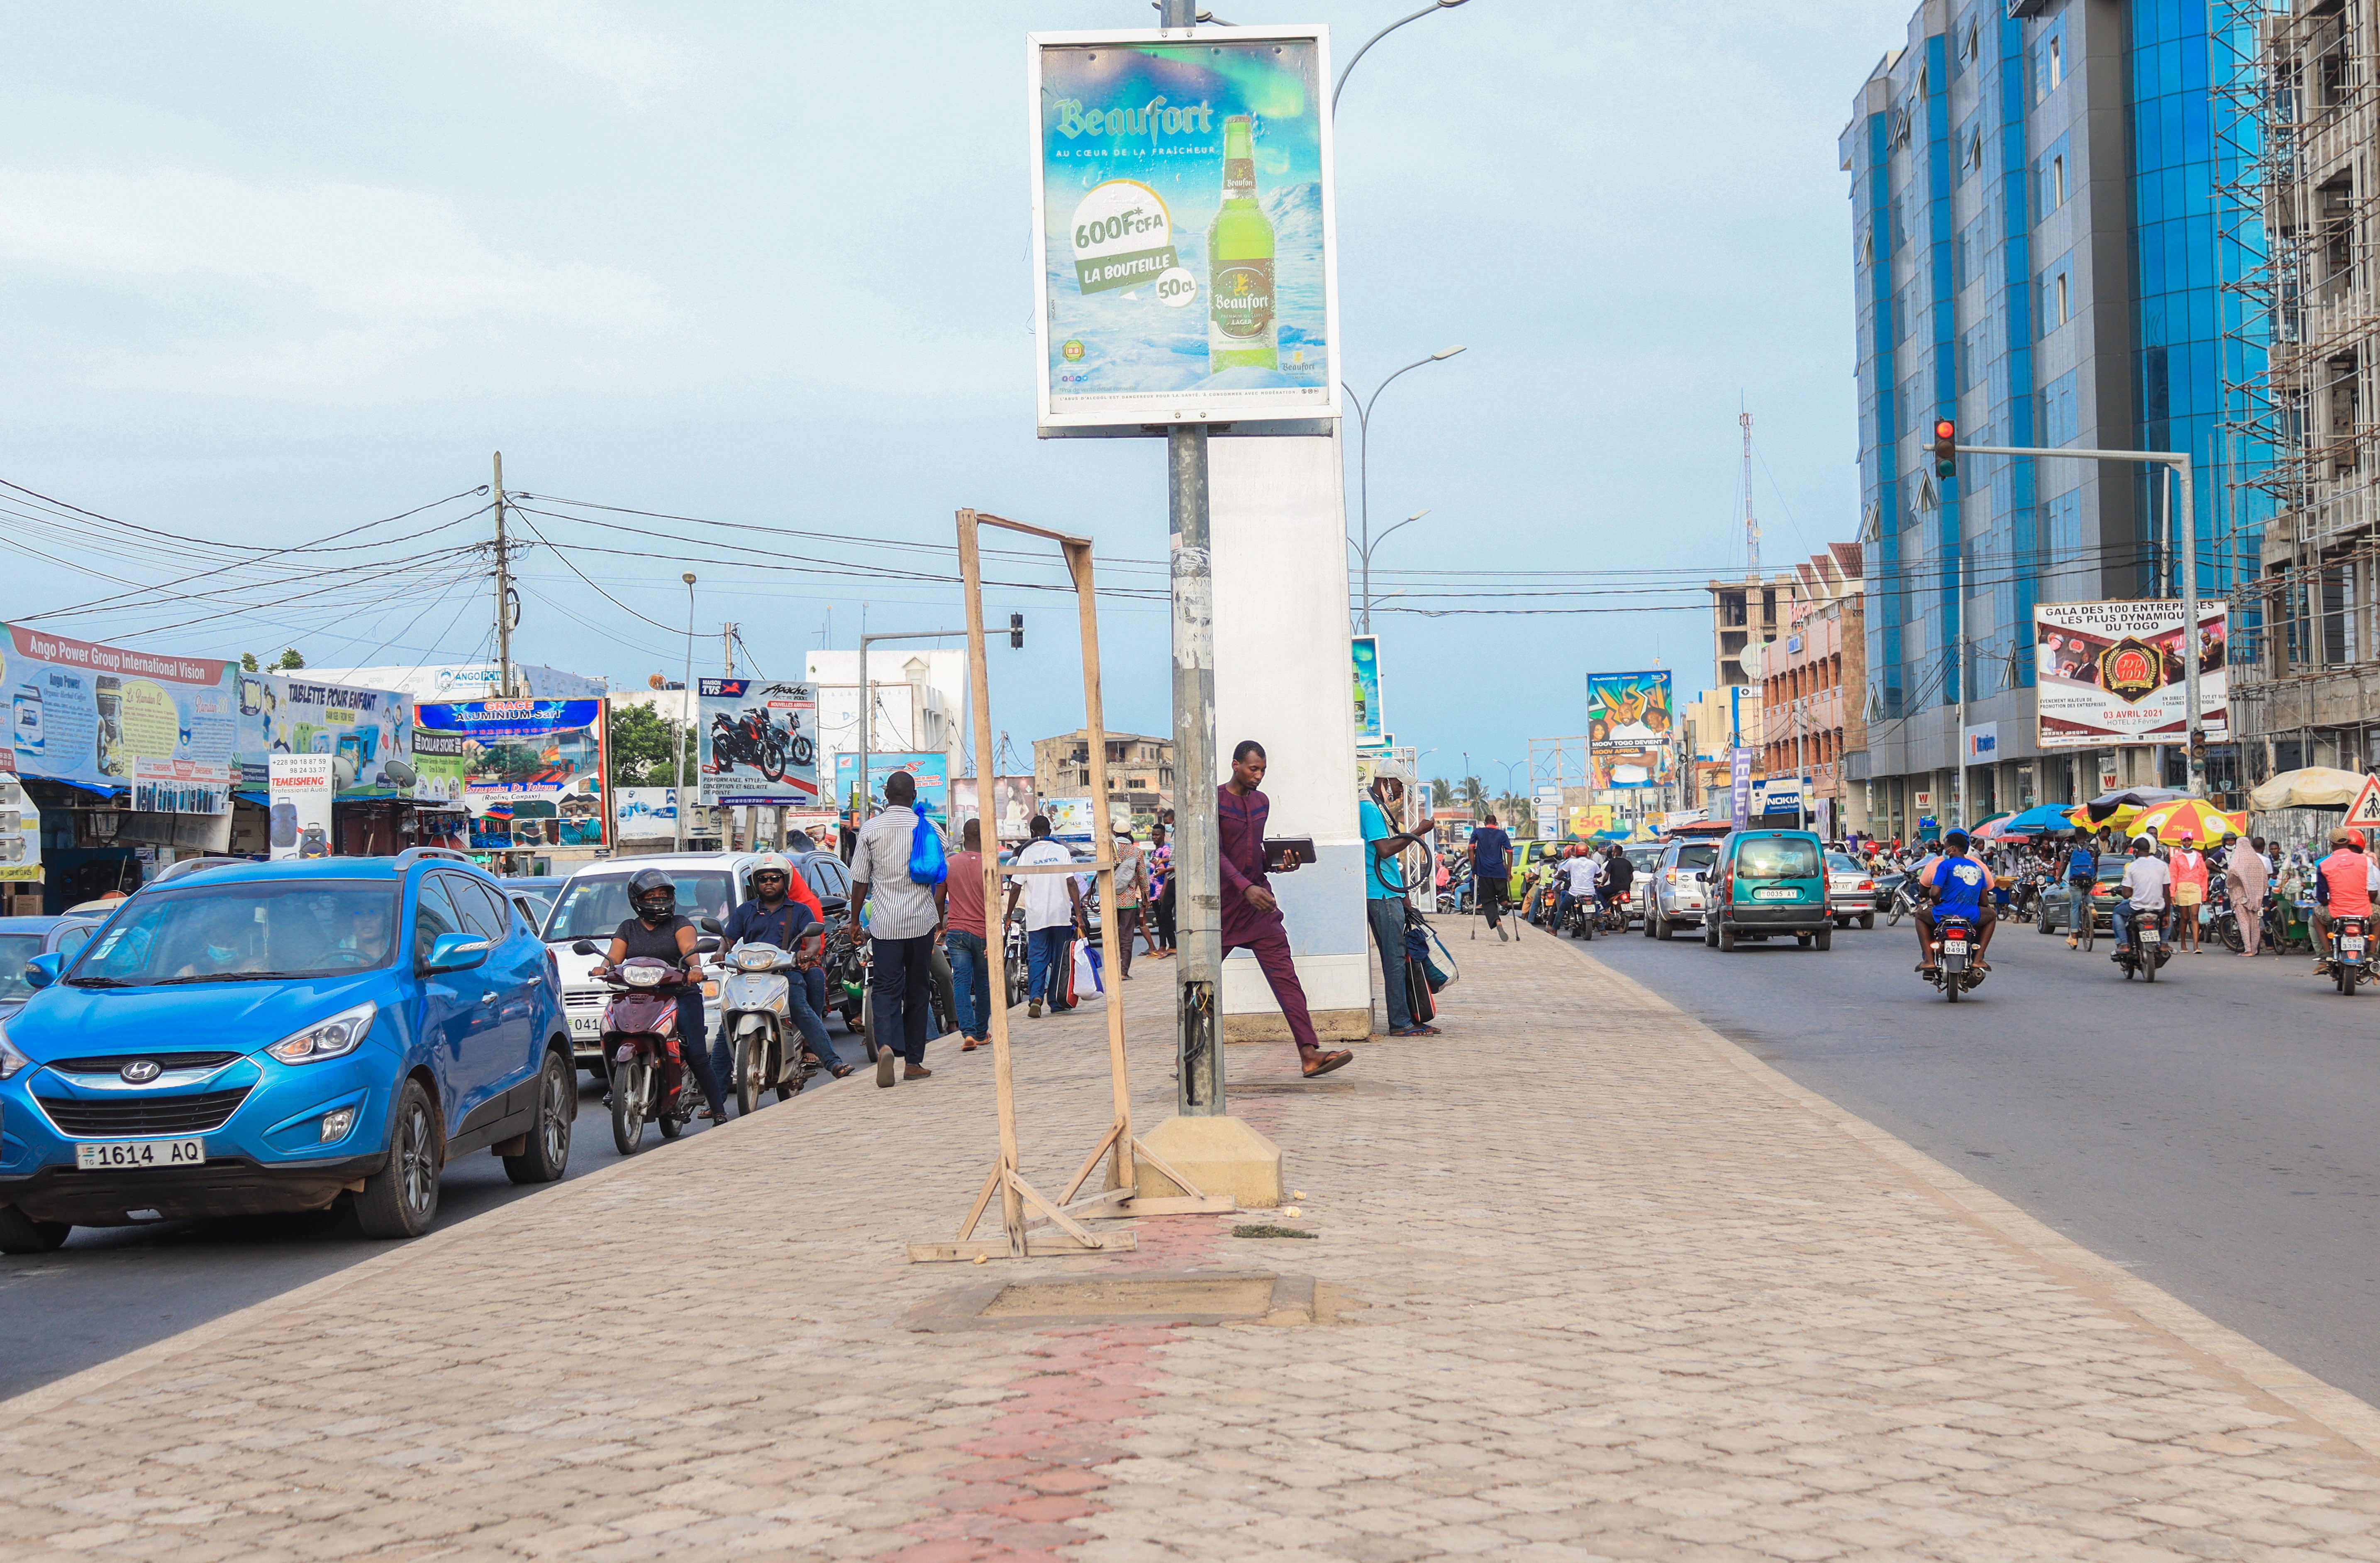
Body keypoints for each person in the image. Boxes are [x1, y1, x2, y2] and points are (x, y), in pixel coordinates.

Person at [1226, 739, 1361, 1071]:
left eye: (1263, 770)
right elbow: (1214, 853)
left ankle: (1309, 1054)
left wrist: (1277, 864)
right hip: (1222, 909)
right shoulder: (1214, 802)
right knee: (1199, 980)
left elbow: (1251, 850)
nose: (1258, 776)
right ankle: (1188, 1054)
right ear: (1236, 766)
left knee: (1287, 979)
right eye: (1253, 769)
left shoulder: (1261, 803)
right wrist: (1244, 888)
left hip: (1260, 910)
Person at [595, 868, 726, 1122]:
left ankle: (718, 1109)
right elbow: (614, 957)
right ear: (637, 900)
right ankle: (616, 1085)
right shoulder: (628, 928)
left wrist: (695, 968)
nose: (658, 900)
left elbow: (689, 948)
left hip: (680, 994)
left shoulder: (680, 923)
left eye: (663, 894)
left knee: (697, 1054)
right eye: (651, 896)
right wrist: (604, 967)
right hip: (639, 996)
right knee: (612, 1032)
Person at [720, 853, 851, 1086]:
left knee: (801, 1008)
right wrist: (721, 952)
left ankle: (833, 1063)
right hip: (750, 976)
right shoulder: (745, 911)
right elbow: (728, 939)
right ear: (755, 884)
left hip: (786, 974)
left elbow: (814, 941)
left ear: (785, 881)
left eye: (774, 878)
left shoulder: (800, 911)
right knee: (727, 1025)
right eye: (763, 879)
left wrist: (807, 952)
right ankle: (716, 1103)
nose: (769, 883)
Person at [847, 770, 941, 1087]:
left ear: (886, 795)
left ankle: (886, 1044)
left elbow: (860, 880)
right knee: (918, 990)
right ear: (914, 796)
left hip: (886, 924)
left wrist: (854, 919)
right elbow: (942, 871)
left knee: (886, 990)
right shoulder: (929, 827)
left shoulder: (871, 829)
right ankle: (913, 1063)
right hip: (921, 922)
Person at [1357, 758, 1435, 1043]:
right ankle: (1400, 1023)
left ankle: (1408, 1019)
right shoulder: (1369, 808)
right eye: (1400, 785)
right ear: (1386, 781)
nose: (1402, 791)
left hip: (1390, 892)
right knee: (1394, 959)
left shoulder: (1378, 807)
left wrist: (1403, 894)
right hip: (1380, 894)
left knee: (1401, 956)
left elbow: (1389, 861)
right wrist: (1418, 832)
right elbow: (1386, 850)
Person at [1012, 814, 1080, 1017]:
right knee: (1060, 959)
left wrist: (1008, 916)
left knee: (1038, 958)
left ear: (1032, 833)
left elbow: (1016, 886)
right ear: (1050, 831)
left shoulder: (1026, 854)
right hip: (1060, 915)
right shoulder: (1061, 851)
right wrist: (1079, 914)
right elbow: (1071, 883)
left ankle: (1036, 998)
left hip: (1037, 917)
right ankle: (1057, 1002)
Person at [940, 819, 994, 1053]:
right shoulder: (991, 865)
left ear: (963, 837)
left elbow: (939, 900)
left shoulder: (950, 863)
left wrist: (939, 927)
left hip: (957, 932)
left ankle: (968, 1033)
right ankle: (982, 1033)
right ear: (984, 837)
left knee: (961, 981)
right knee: (983, 982)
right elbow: (995, 904)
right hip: (984, 932)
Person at [1913, 829, 1994, 972]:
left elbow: (1934, 893)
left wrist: (1937, 904)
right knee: (1992, 916)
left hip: (1945, 912)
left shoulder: (1945, 865)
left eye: (1946, 846)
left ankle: (1929, 961)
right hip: (1971, 915)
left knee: (1920, 915)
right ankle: (1978, 959)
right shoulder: (1978, 868)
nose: (1945, 849)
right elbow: (1984, 902)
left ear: (1953, 848)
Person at [2311, 826, 2380, 973]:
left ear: (2332, 844)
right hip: (2363, 911)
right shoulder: (2365, 861)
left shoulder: (2324, 864)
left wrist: (2333, 901)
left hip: (2336, 912)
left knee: (2316, 915)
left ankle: (2327, 954)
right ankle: (2372, 953)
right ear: (2348, 842)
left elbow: (2322, 899)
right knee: (2379, 915)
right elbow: (2373, 892)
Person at [2225, 830, 2270, 957]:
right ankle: (2254, 949)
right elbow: (2265, 879)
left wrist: (2231, 885)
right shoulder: (2257, 861)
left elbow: (2231, 873)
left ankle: (2248, 950)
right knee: (2254, 924)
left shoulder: (2237, 859)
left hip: (2239, 896)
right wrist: (2258, 893)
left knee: (2244, 923)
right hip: (2255, 897)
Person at [1469, 812, 1514, 939]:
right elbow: (1509, 852)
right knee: (1503, 900)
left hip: (1484, 872)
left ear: (1485, 823)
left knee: (1488, 901)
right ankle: (1505, 902)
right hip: (1500, 872)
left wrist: (1474, 869)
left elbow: (1470, 849)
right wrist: (1509, 872)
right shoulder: (1502, 834)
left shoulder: (1477, 832)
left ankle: (1497, 921)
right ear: (1496, 824)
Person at [1109, 829, 1145, 980]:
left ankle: (1112, 972)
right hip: (1129, 901)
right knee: (1127, 937)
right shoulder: (1137, 852)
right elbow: (1143, 877)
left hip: (1110, 899)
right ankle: (1124, 972)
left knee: (1111, 937)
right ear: (1130, 833)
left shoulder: (1109, 849)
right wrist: (1146, 897)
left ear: (1114, 833)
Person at [2169, 833, 2208, 953]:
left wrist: (2204, 893)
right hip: (2181, 887)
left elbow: (2203, 875)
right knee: (2185, 917)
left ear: (2192, 841)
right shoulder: (2176, 858)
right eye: (2185, 841)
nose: (2187, 843)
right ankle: (2183, 944)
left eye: (2189, 840)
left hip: (2196, 887)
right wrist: (2172, 894)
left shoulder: (2198, 856)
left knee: (2195, 916)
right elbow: (2173, 876)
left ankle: (2196, 946)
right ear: (2181, 842)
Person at [2062, 831, 2101, 950]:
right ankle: (2092, 907)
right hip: (2089, 879)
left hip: (2076, 881)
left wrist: (2059, 877)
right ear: (2087, 837)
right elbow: (2096, 862)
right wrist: (2095, 876)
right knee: (2086, 891)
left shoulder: (2071, 849)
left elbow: (2064, 864)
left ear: (2076, 837)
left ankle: (2074, 937)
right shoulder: (2093, 848)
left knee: (2075, 907)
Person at [1145, 823, 1175, 957]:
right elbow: (1152, 872)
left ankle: (1168, 946)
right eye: (1153, 835)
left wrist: (1163, 890)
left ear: (1163, 835)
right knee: (1159, 919)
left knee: (1164, 917)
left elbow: (1168, 872)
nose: (1154, 837)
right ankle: (1162, 946)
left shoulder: (1166, 850)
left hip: (1162, 889)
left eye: (1157, 835)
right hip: (1154, 891)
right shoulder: (1153, 853)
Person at [1601, 842, 1636, 921]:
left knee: (1599, 892)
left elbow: (1606, 877)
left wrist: (1602, 885)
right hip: (1626, 888)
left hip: (1614, 888)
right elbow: (1631, 878)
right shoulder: (1627, 863)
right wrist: (1627, 884)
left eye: (1613, 852)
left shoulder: (1612, 862)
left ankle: (1606, 909)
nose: (1613, 853)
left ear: (1616, 853)